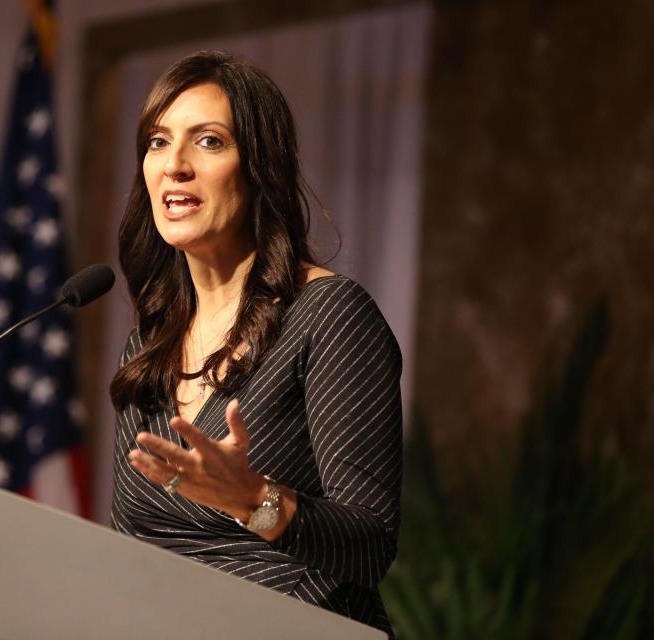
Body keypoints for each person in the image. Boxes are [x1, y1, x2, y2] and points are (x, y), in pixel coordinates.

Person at [109, 50, 402, 637]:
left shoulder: (329, 315)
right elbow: (131, 550)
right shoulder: (151, 342)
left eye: (209, 141)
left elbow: (371, 545)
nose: (175, 165)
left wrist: (254, 500)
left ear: (259, 166)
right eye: (159, 142)